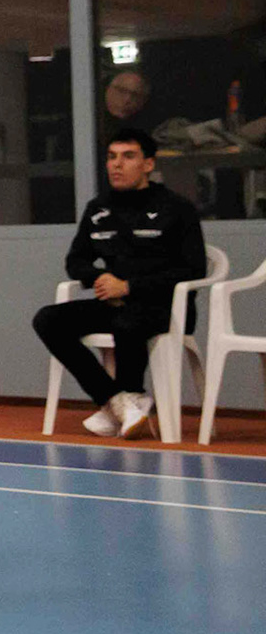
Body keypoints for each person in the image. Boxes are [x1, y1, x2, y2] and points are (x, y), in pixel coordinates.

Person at [32, 127, 206, 440]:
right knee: (48, 319)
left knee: (128, 321)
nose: (117, 164)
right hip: (114, 303)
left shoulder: (177, 208)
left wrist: (130, 287)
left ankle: (128, 396)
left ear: (148, 164)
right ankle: (116, 400)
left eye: (128, 157)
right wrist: (98, 278)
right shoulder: (98, 209)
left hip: (164, 306)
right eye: (112, 157)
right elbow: (76, 261)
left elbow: (193, 269)